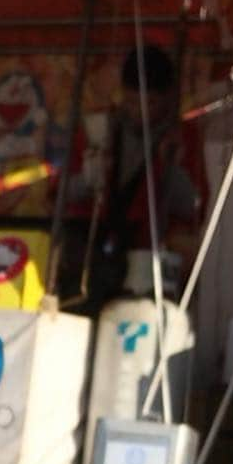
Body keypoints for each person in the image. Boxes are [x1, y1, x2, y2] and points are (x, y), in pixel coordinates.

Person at [67, 44, 207, 304]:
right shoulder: (98, 129)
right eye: (132, 101)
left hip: (149, 252)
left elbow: (194, 207)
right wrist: (91, 175)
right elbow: (63, 195)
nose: (140, 111)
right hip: (93, 248)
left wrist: (172, 167)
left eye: (150, 103)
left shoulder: (182, 137)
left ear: (167, 98)